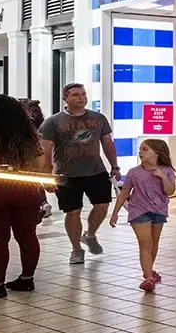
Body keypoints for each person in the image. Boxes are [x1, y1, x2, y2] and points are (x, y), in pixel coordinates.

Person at [0, 95, 50, 298]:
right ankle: (26, 279)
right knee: (27, 236)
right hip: (26, 192)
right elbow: (40, 166)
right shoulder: (30, 136)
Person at [39, 83, 119, 264]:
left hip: (95, 171)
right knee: (73, 212)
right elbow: (45, 151)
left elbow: (107, 143)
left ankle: (89, 235)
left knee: (102, 206)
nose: (81, 98)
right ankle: (76, 248)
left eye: (83, 94)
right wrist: (47, 176)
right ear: (65, 99)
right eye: (75, 95)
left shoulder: (98, 118)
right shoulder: (53, 122)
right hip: (66, 174)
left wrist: (115, 166)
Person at [109, 138, 176, 292]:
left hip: (159, 211)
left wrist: (163, 177)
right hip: (138, 210)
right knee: (145, 243)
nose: (140, 152)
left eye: (145, 149)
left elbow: (170, 191)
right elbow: (124, 192)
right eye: (140, 149)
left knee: (153, 243)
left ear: (157, 153)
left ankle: (149, 271)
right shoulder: (134, 172)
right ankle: (148, 278)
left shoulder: (167, 171)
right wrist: (115, 213)